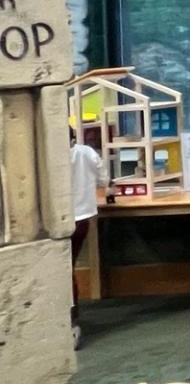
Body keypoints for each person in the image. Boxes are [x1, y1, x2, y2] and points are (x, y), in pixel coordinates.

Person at [70, 131, 102, 346]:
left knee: (64, 270)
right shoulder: (86, 153)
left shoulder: (46, 154)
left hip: (56, 220)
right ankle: (72, 320)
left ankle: (71, 321)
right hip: (82, 218)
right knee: (67, 268)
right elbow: (103, 178)